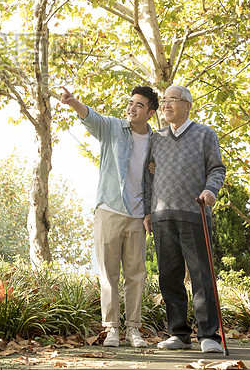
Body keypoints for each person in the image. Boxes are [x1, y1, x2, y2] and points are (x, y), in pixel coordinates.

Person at [60, 84, 159, 348]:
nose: (132, 108)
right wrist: (73, 102)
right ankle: (112, 328)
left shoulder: (156, 140)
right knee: (109, 274)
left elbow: (156, 178)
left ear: (150, 113)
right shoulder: (114, 127)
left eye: (139, 105)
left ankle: (134, 329)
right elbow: (91, 117)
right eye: (130, 102)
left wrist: (150, 208)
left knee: (136, 274)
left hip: (139, 216)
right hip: (109, 210)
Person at [143, 85, 226, 354]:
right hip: (162, 216)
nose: (166, 105)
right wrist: (147, 211)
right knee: (169, 277)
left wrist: (210, 191)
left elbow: (217, 168)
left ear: (187, 105)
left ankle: (209, 335)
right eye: (164, 101)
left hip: (195, 213)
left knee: (202, 276)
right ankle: (178, 333)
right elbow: (148, 177)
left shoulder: (205, 134)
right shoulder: (157, 139)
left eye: (172, 101)